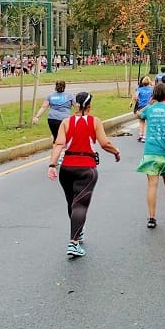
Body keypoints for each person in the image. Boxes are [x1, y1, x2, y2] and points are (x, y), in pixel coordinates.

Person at [47, 92, 121, 257]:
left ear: (75, 105)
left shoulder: (66, 122)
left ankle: (77, 232)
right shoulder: (95, 122)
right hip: (86, 169)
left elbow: (58, 144)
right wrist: (116, 152)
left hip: (66, 168)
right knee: (80, 205)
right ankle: (73, 243)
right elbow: (104, 143)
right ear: (89, 106)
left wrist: (52, 165)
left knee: (72, 203)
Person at [136, 81, 165, 228]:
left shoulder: (149, 110)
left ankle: (152, 217)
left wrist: (149, 103)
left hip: (151, 151)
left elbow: (138, 114)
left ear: (154, 95)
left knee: (152, 185)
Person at [132, 76, 154, 142]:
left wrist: (138, 100)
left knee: (141, 121)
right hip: (149, 107)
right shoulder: (151, 89)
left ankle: (141, 135)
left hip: (140, 107)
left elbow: (135, 97)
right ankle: (145, 136)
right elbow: (153, 97)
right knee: (147, 122)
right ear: (149, 82)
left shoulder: (139, 89)